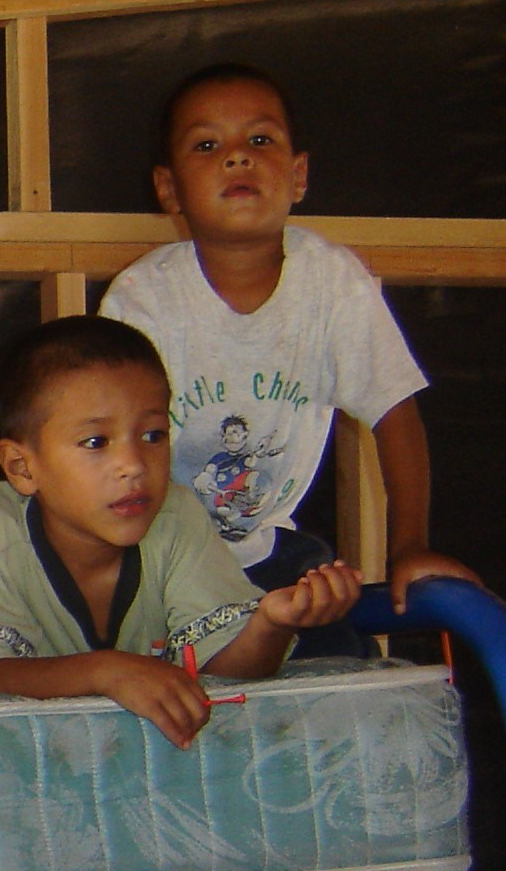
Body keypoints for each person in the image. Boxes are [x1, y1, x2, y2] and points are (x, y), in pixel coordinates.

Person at [99, 63, 477, 633]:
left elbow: (395, 413)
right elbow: (103, 446)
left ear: (298, 176)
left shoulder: (331, 282)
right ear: (169, 189)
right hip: (154, 553)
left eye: (260, 139)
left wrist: (410, 549)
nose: (237, 157)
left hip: (273, 555)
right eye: (207, 144)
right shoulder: (143, 299)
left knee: (330, 616)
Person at [0, 316, 363, 747]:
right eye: (96, 442)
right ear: (22, 468)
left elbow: (223, 675)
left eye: (153, 435)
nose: (135, 465)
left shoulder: (175, 517)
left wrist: (272, 623)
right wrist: (107, 671)